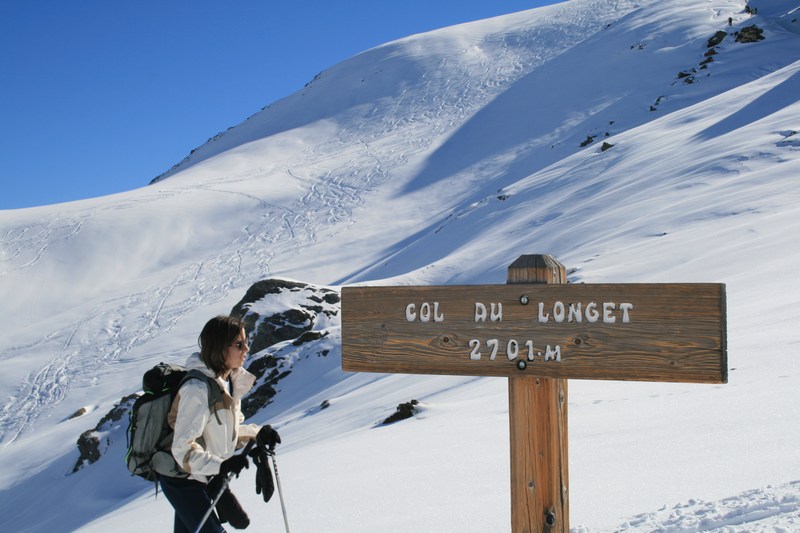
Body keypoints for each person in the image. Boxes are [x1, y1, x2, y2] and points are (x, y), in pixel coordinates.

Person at [159, 315, 281, 532]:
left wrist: (258, 433)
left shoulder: (228, 383)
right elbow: (183, 449)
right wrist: (221, 465)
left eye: (246, 342)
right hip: (182, 478)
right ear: (219, 347)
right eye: (238, 344)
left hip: (205, 474)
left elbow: (224, 434)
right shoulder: (197, 389)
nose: (246, 349)